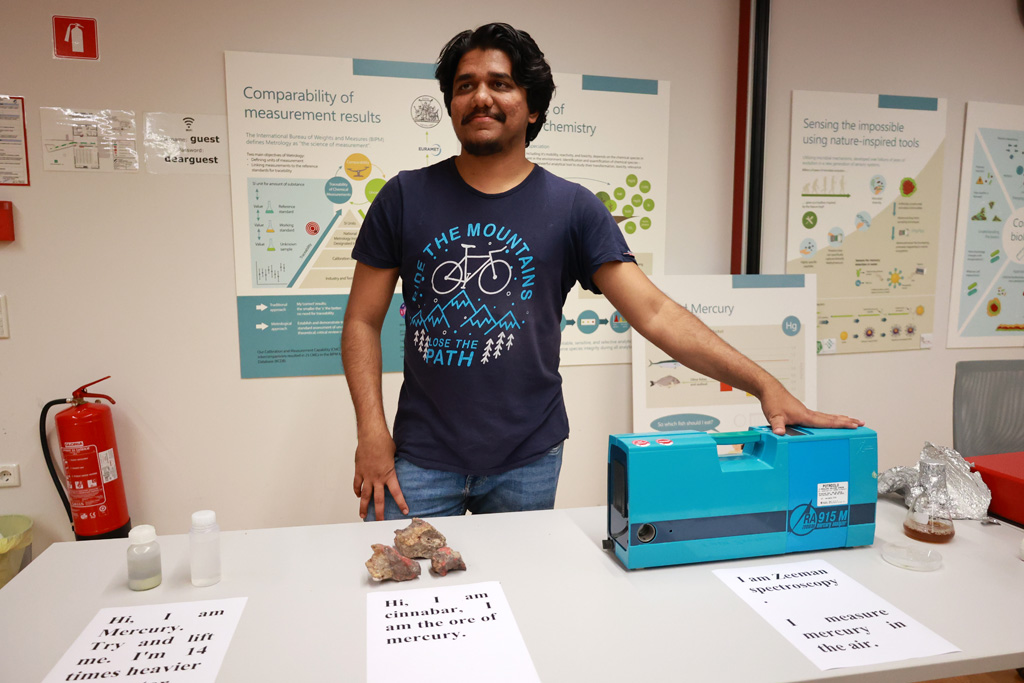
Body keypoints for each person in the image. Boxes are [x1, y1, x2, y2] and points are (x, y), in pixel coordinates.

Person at [342, 23, 863, 521]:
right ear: (451, 103)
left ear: (533, 107)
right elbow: (363, 321)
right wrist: (371, 431)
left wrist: (765, 385)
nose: (481, 97)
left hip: (527, 460)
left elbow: (655, 313)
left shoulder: (572, 208)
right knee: (402, 582)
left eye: (500, 84)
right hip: (420, 458)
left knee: (523, 582)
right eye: (465, 85)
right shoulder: (404, 197)